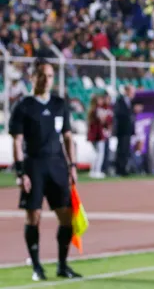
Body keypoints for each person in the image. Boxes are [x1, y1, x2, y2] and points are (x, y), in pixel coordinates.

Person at [10, 58, 82, 281]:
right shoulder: (23, 106)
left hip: (58, 165)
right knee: (34, 216)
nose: (46, 80)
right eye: (42, 75)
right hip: (34, 165)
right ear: (33, 77)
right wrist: (21, 173)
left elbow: (68, 138)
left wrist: (72, 166)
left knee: (67, 217)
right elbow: (17, 141)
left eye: (50, 76)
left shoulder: (60, 104)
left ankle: (62, 265)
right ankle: (37, 266)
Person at [114, 85, 136, 176]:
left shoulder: (130, 102)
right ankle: (119, 169)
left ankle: (124, 168)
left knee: (126, 150)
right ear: (127, 91)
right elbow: (119, 114)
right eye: (131, 92)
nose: (133, 94)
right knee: (121, 150)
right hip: (122, 130)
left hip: (128, 131)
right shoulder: (120, 101)